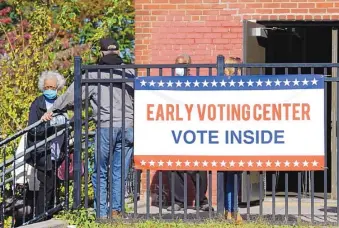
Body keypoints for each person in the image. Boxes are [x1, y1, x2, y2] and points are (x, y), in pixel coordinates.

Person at [41, 37, 135, 219]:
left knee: (100, 171)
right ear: (118, 51)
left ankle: (101, 213)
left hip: (106, 127)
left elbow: (70, 96)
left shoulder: (93, 73)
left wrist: (52, 110)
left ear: (101, 53)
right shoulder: (130, 72)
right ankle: (116, 211)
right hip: (128, 127)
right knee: (120, 171)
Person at [167, 54, 212, 212]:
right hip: (175, 129)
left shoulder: (196, 83)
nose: (181, 67)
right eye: (178, 64)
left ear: (189, 66)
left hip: (194, 129)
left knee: (199, 166)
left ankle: (202, 200)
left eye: (184, 64)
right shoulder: (168, 84)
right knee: (174, 166)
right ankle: (178, 201)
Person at [25, 71, 67, 217]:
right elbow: (32, 130)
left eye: (52, 87)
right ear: (43, 87)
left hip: (58, 151)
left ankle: (49, 213)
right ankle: (40, 217)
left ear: (58, 87)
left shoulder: (62, 102)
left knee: (54, 184)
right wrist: (49, 123)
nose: (50, 89)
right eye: (47, 86)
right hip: (43, 151)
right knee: (46, 185)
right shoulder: (38, 103)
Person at [224, 56, 242, 223]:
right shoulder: (238, 84)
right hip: (235, 135)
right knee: (234, 176)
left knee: (230, 175)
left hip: (226, 135)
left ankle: (229, 211)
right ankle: (233, 211)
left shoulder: (220, 83)